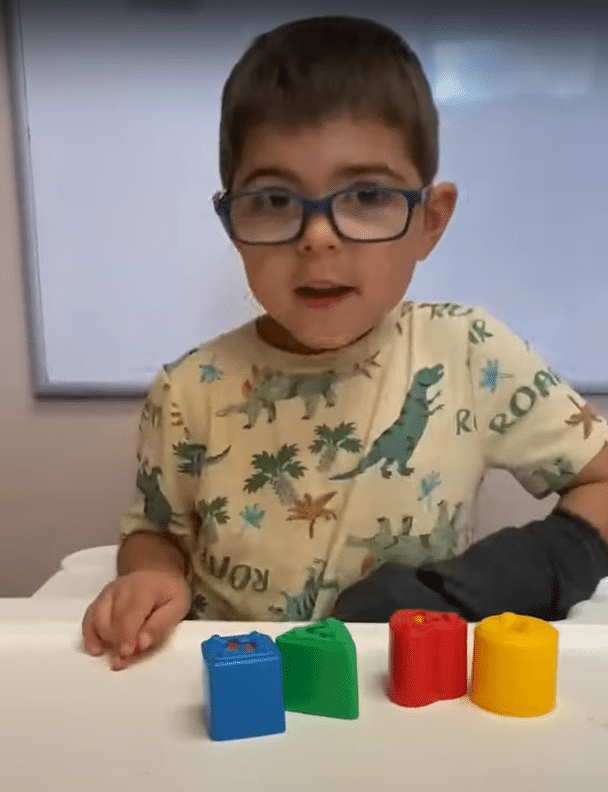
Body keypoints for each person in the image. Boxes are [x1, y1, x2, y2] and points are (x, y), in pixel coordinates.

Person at [82, 15, 608, 670]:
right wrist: (151, 578)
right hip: (241, 699)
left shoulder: (468, 350)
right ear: (234, 225)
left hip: (409, 702)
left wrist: (513, 572)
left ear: (429, 220)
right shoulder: (188, 390)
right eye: (274, 200)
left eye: (365, 194)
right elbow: (154, 534)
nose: (319, 237)